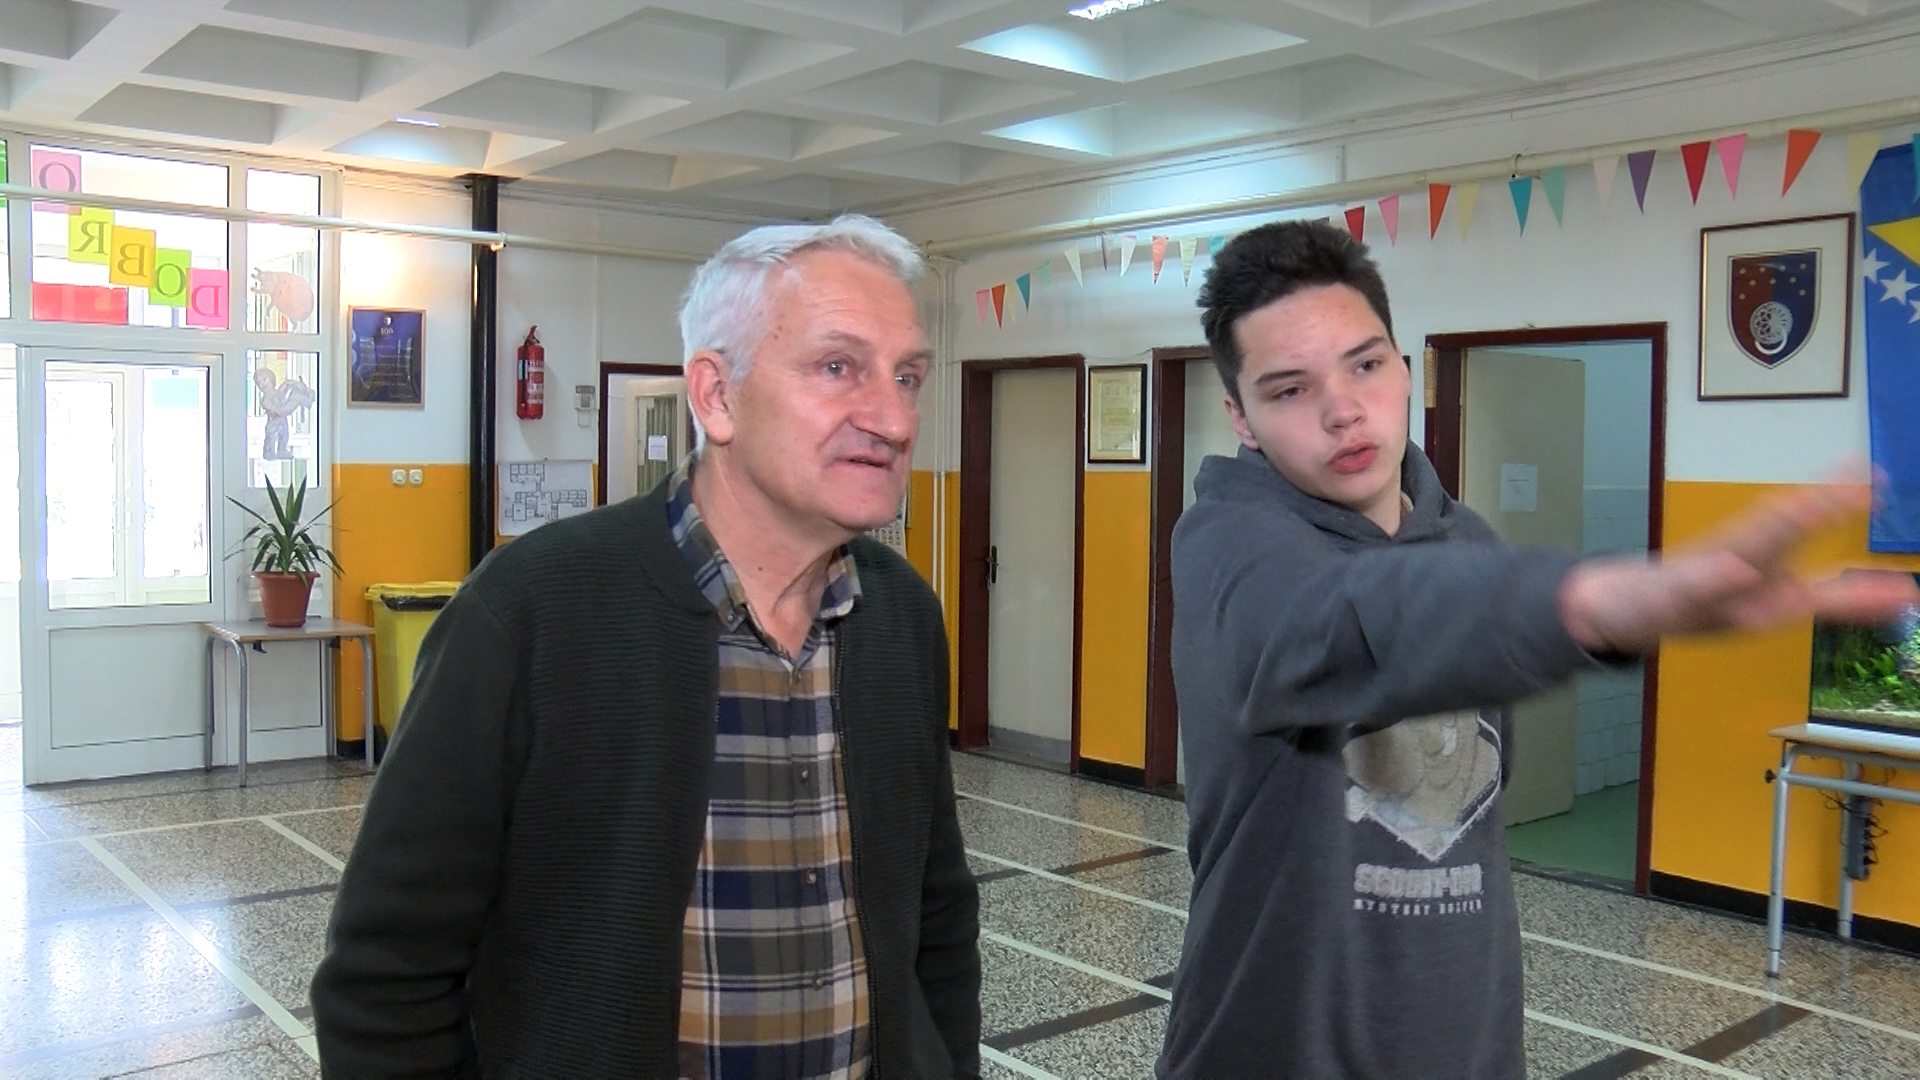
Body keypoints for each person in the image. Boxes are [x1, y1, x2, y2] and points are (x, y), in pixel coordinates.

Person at [1156, 219, 1916, 1079]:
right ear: (1242, 419)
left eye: (1365, 365)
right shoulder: (1226, 543)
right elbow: (1336, 622)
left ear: (1403, 367)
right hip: (1269, 1049)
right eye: (1290, 390)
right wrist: (1597, 600)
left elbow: (1478, 803)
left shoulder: (1469, 541)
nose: (1343, 410)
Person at [312, 214, 981, 1078]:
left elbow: (937, 920)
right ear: (716, 396)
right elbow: (388, 975)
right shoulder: (532, 612)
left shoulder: (903, 621)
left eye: (908, 376)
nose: (892, 418)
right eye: (837, 367)